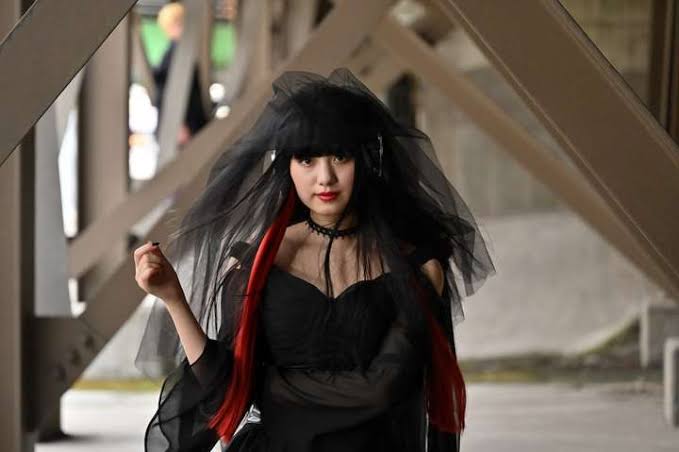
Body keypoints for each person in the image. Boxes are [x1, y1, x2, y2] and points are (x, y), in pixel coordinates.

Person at [133, 67, 496, 451]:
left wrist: (263, 385)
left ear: (366, 160)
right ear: (287, 166)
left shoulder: (418, 269)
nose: (325, 177)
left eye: (340, 156)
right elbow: (225, 389)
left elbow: (382, 390)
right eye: (307, 160)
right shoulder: (253, 266)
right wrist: (173, 298)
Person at [153, 2, 211, 146]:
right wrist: (179, 125)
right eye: (180, 23)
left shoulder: (177, 54)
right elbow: (166, 93)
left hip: (189, 124)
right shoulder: (175, 57)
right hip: (186, 127)